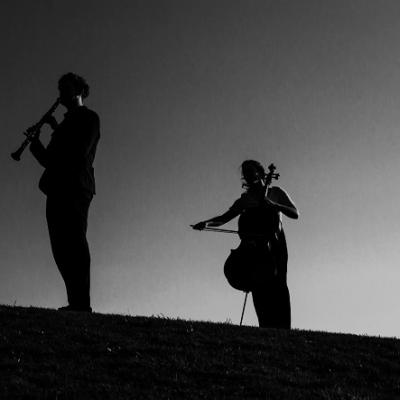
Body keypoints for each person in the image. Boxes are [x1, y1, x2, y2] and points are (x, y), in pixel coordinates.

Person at [192, 160, 299, 329]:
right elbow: (223, 218)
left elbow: (294, 213)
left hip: (276, 246)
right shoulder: (244, 200)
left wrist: (272, 204)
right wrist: (206, 223)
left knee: (278, 286)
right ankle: (265, 327)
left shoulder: (276, 192)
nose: (248, 175)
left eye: (251, 171)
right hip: (253, 248)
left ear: (260, 172)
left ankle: (284, 329)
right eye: (245, 173)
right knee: (258, 287)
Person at [29, 72, 100, 312]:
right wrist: (35, 143)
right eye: (60, 90)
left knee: (75, 242)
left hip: (77, 187)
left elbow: (78, 152)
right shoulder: (62, 127)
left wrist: (57, 129)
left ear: (80, 91)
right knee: (60, 246)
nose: (61, 95)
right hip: (56, 187)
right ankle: (75, 301)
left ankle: (82, 303)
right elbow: (48, 160)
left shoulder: (89, 118)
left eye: (65, 89)